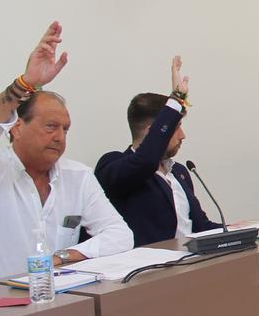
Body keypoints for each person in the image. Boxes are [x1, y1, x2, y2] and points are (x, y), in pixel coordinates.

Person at [0, 22, 133, 279]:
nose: (60, 137)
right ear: (17, 127)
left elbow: (120, 235)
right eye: (51, 127)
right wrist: (25, 83)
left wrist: (61, 257)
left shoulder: (78, 176)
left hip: (62, 302)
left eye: (66, 129)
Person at [94, 56, 222, 246]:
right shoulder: (113, 164)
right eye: (176, 127)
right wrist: (176, 101)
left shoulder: (179, 171)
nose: (183, 135)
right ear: (153, 132)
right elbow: (144, 162)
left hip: (191, 266)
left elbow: (200, 227)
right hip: (150, 270)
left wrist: (241, 230)